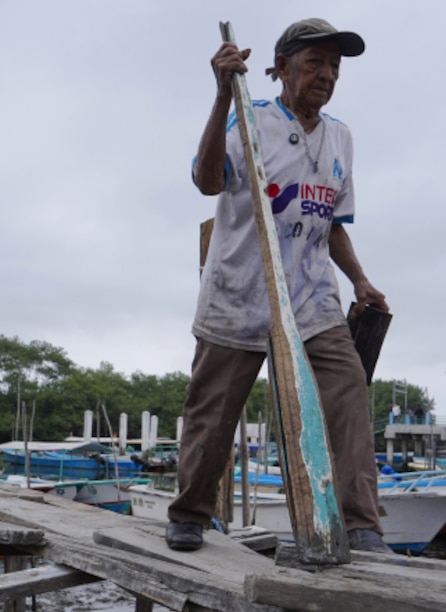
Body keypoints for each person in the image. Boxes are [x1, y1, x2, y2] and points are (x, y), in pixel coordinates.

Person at [166, 18, 390, 554]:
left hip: (312, 297)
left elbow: (332, 222)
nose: (327, 75)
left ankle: (361, 525)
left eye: (334, 66)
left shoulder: (340, 138)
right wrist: (222, 98)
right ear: (282, 68)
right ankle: (190, 513)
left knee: (347, 391)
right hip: (241, 290)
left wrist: (359, 279)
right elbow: (207, 181)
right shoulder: (251, 117)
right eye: (314, 62)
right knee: (214, 411)